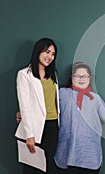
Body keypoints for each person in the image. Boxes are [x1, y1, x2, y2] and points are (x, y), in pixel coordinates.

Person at [54, 62, 105, 174]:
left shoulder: (95, 98)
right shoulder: (62, 93)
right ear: (71, 77)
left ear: (90, 78)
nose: (81, 79)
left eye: (84, 76)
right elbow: (47, 108)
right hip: (66, 152)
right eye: (77, 75)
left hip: (89, 155)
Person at [15, 38, 60, 174]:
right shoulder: (24, 75)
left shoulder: (53, 74)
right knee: (32, 168)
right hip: (34, 128)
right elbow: (25, 105)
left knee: (49, 166)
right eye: (47, 52)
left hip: (52, 126)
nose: (50, 57)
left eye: (53, 54)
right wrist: (29, 135)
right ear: (38, 51)